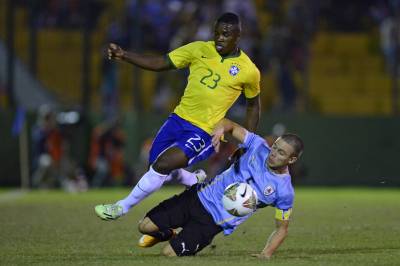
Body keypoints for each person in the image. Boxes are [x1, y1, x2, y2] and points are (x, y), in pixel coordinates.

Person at [95, 12, 261, 220]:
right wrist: (124, 55)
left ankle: (121, 207)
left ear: (238, 35)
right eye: (217, 33)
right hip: (177, 119)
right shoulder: (198, 48)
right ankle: (194, 180)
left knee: (163, 165)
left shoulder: (249, 70)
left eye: (226, 34)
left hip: (205, 130)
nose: (219, 38)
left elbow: (253, 106)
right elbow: (161, 63)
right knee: (155, 164)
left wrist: (247, 143)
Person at [135, 118, 304, 258]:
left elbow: (282, 229)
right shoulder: (257, 146)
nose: (273, 153)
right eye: (275, 147)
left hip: (212, 222)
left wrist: (266, 254)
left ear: (292, 160)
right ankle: (168, 233)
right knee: (144, 226)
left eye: (281, 153)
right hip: (198, 196)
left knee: (168, 254)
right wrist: (220, 130)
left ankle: (180, 238)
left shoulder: (284, 191)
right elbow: (229, 125)